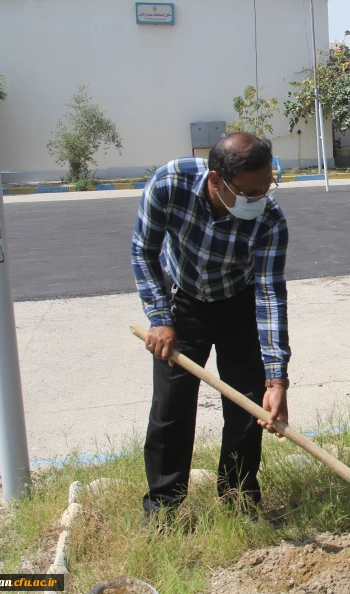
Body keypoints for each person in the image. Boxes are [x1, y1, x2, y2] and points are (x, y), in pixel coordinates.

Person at [131, 132, 290, 520]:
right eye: (250, 193)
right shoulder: (170, 184)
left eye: (266, 189)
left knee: (245, 409)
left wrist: (276, 379)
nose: (260, 201)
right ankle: (164, 510)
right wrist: (160, 319)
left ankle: (238, 501)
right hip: (181, 303)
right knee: (171, 409)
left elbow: (269, 295)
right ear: (216, 180)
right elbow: (144, 249)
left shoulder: (269, 219)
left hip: (239, 302)